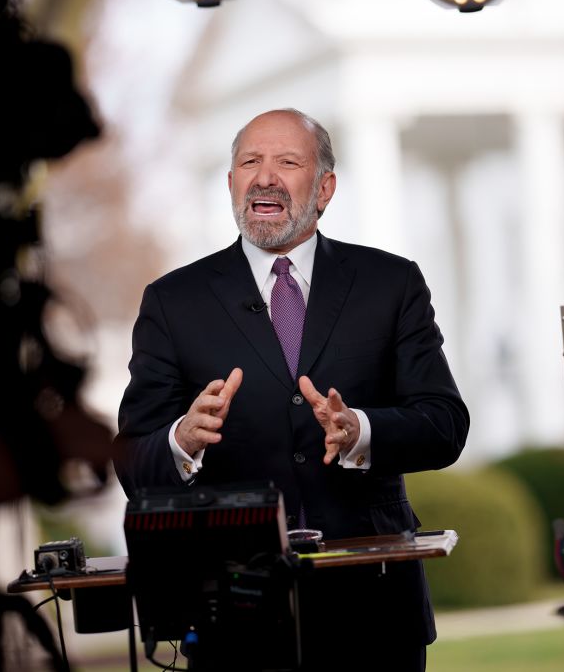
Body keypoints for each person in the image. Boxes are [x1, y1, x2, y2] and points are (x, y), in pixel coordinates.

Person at [115, 108, 469, 670]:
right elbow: (134, 459)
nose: (264, 177)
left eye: (287, 162)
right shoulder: (172, 302)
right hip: (236, 614)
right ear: (231, 182)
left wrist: (362, 431)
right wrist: (182, 439)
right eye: (249, 162)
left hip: (374, 609)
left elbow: (445, 425)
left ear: (324, 187)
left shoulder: (391, 283)